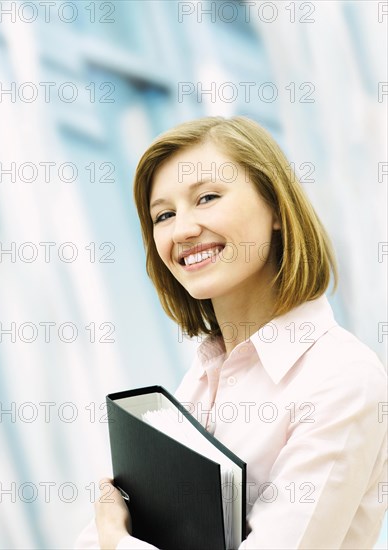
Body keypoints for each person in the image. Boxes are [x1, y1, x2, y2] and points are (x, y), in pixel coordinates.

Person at [75, 117, 387, 549]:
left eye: (207, 197)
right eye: (163, 215)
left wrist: (114, 540)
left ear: (275, 207)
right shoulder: (203, 378)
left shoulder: (342, 377)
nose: (181, 230)